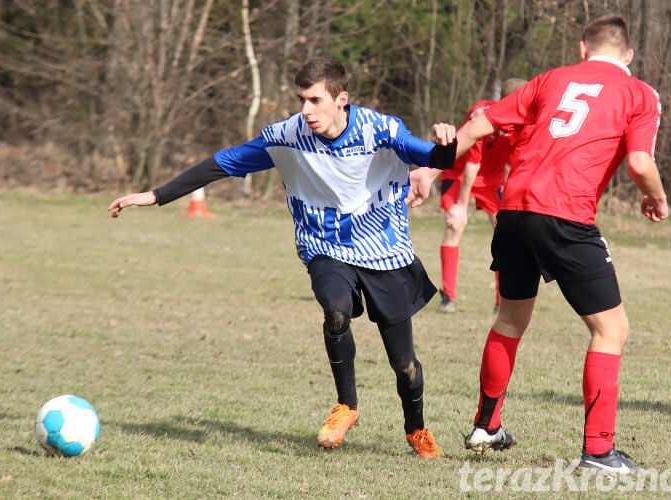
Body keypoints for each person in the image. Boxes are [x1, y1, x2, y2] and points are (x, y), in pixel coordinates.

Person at [108, 56, 458, 458]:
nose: (306, 110)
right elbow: (223, 163)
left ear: (341, 99)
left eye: (314, 100)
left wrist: (446, 144)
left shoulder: (382, 129)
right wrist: (155, 196)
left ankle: (416, 430)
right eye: (301, 100)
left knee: (405, 366)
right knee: (336, 311)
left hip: (385, 250)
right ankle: (347, 406)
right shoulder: (287, 135)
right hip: (325, 248)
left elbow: (437, 159)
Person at [408, 14, 668, 473]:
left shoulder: (549, 79)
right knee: (611, 330)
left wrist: (429, 171)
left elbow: (476, 128)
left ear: (583, 49)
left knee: (510, 318)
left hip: (513, 212)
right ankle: (599, 451)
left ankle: (487, 425)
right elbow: (641, 163)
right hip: (565, 217)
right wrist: (657, 197)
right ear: (628, 56)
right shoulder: (639, 92)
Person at [437, 78, 527, 314]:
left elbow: (519, 163)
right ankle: (448, 298)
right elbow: (471, 163)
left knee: (505, 232)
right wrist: (461, 206)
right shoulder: (482, 114)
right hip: (459, 172)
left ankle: (503, 301)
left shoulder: (525, 120)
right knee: (455, 225)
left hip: (493, 177)